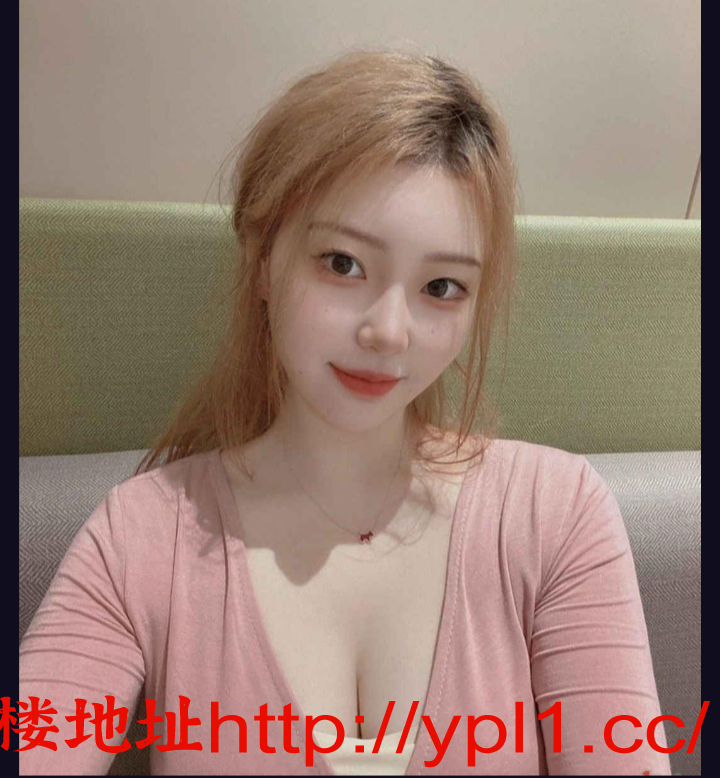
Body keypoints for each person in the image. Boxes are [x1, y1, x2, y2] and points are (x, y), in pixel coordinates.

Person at [19, 47, 672, 775]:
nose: (389, 332)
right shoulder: (141, 538)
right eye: (342, 264)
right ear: (262, 259)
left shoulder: (556, 516)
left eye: (442, 287)